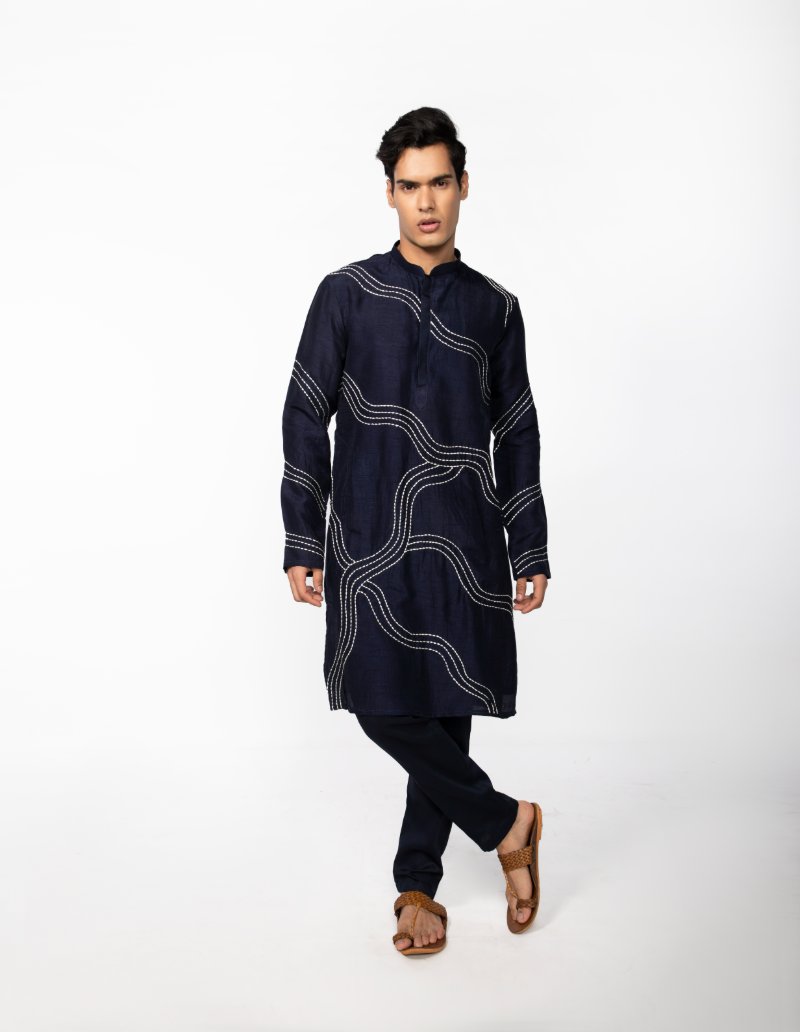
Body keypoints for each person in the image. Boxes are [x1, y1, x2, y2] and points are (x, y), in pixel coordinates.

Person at [280, 107, 551, 955]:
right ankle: (508, 824)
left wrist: (529, 544)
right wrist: (302, 535)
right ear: (389, 194)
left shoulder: (495, 308)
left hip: (465, 543)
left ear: (463, 187)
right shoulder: (347, 294)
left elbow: (518, 430)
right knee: (380, 703)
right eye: (409, 186)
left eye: (439, 183)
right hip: (368, 537)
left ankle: (416, 892)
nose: (426, 202)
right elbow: (304, 411)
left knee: (444, 709)